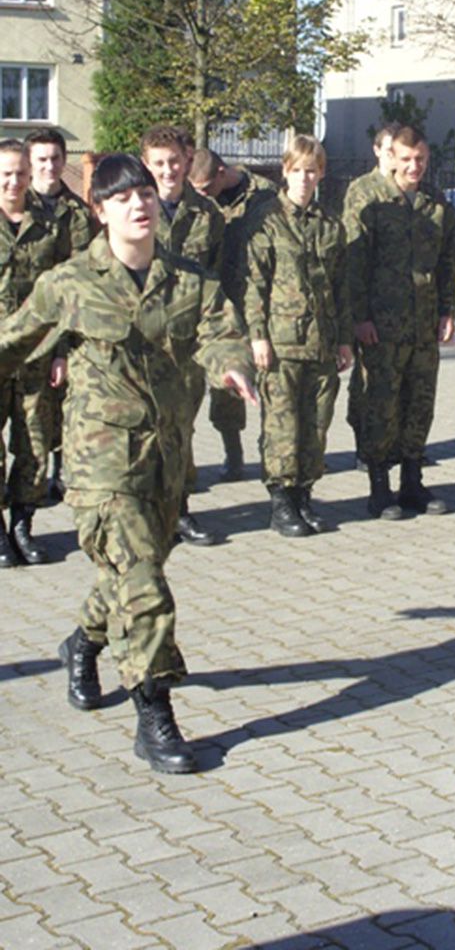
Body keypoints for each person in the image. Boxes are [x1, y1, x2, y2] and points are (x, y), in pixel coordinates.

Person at [0, 154, 256, 772]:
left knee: (129, 571)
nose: (138, 205)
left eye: (143, 193)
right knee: (143, 582)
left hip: (165, 456)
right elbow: (12, 340)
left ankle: (82, 643)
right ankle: (154, 713)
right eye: (121, 197)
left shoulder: (188, 280)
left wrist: (232, 366)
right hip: (101, 461)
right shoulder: (69, 283)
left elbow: (222, 332)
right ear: (99, 210)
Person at [236, 135, 352, 536]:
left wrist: (344, 339)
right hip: (281, 342)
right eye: (297, 170)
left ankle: (304, 495)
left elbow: (342, 286)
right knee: (282, 425)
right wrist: (257, 336)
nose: (304, 178)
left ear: (321, 173)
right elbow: (253, 282)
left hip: (322, 341)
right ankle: (281, 503)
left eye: (312, 170)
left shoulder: (330, 224)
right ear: (285, 171)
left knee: (316, 424)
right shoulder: (266, 220)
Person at [345, 125, 455, 518]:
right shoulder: (369, 197)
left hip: (423, 323)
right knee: (382, 403)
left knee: (420, 402)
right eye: (406, 159)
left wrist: (447, 310)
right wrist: (359, 318)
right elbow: (355, 263)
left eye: (420, 159)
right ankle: (379, 485)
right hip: (382, 325)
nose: (414, 166)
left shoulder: (435, 202)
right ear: (391, 157)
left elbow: (446, 261)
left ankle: (413, 481)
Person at [141, 125, 225, 545]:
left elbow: (218, 277)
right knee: (147, 429)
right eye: (159, 163)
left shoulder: (208, 214)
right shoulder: (134, 208)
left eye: (174, 161)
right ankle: (147, 513)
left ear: (186, 160)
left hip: (189, 343)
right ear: (146, 164)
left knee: (183, 430)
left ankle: (180, 510)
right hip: (145, 342)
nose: (168, 170)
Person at [0, 139, 70, 567]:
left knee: (35, 445)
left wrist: (61, 351)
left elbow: (65, 292)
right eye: (6, 174)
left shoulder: (50, 224)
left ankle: (23, 526)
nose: (14, 182)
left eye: (20, 174)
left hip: (36, 355)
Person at [188, 145, 276, 481]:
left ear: (222, 174)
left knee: (270, 381)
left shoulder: (264, 194)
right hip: (218, 301)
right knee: (224, 385)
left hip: (260, 300)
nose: (201, 195)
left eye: (205, 188)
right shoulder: (200, 205)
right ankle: (233, 452)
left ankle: (277, 452)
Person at [25, 127, 96, 501]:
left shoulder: (79, 213)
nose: (49, 166)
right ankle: (28, 485)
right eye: (41, 159)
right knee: (32, 413)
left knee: (67, 403)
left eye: (55, 158)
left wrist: (65, 346)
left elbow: (83, 277)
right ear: (30, 162)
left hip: (67, 321)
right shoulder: (16, 207)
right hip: (26, 323)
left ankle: (61, 472)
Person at [342, 123, 400, 469]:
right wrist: (359, 314)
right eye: (390, 150)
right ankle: (365, 444)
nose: (396, 158)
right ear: (377, 151)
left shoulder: (410, 191)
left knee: (397, 384)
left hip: (402, 311)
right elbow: (355, 257)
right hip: (371, 307)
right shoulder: (362, 190)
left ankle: (393, 444)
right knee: (367, 382)